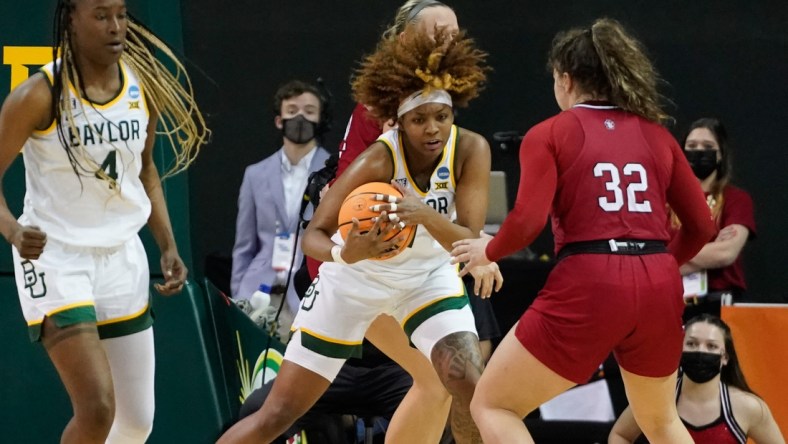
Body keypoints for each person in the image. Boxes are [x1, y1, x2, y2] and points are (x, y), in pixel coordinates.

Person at [218, 28, 491, 444]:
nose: (433, 129)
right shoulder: (378, 159)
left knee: (467, 386)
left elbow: (467, 237)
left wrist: (420, 214)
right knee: (276, 414)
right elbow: (313, 236)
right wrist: (348, 253)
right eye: (419, 119)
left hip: (426, 280)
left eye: (442, 116)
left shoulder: (470, 150)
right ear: (398, 121)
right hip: (355, 281)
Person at [450, 18, 717, 444]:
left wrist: (489, 250)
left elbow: (526, 222)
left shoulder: (549, 133)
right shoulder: (658, 135)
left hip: (590, 278)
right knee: (661, 420)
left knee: (493, 405)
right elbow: (703, 225)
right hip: (658, 279)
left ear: (565, 79)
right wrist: (658, 266)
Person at [0, 1, 208, 443]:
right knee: (96, 409)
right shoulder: (38, 94)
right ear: (71, 19)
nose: (116, 27)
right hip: (56, 258)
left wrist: (167, 244)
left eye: (121, 14)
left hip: (121, 255)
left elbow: (146, 169)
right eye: (100, 15)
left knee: (135, 423)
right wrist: (14, 230)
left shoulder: (141, 87)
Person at [307, 2, 502, 442]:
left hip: (418, 266)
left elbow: (453, 215)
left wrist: (477, 249)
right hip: (361, 266)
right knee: (280, 410)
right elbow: (345, 209)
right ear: (404, 41)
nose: (451, 42)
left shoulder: (447, 117)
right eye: (439, 33)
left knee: (446, 385)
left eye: (456, 33)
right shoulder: (379, 114)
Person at [231, 80, 331, 339]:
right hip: (260, 293)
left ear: (320, 120)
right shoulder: (255, 174)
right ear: (279, 120)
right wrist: (238, 295)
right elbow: (244, 246)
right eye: (293, 110)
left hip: (310, 292)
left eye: (309, 111)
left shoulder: (335, 172)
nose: (300, 117)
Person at [609, 314, 784, 444]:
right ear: (679, 349)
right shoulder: (656, 398)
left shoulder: (748, 407)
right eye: (691, 344)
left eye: (711, 346)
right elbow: (620, 435)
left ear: (725, 357)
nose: (701, 352)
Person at [672, 118, 756, 320]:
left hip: (719, 303)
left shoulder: (736, 199)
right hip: (670, 301)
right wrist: (710, 249)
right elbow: (648, 255)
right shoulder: (665, 199)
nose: (699, 151)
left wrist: (671, 252)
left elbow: (725, 253)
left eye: (708, 146)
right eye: (691, 146)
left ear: (720, 155)